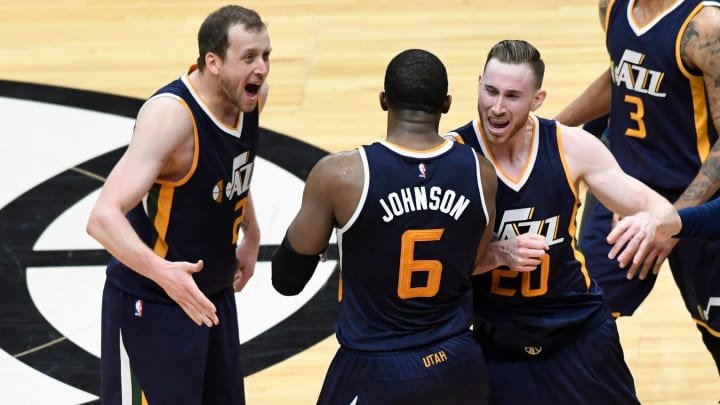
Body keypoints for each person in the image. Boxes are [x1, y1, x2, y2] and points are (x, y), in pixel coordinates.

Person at [445, 39, 676, 404]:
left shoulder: (571, 146)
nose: (497, 107)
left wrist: (650, 223)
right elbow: (430, 266)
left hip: (579, 334)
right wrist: (496, 255)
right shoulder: (451, 156)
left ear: (537, 99)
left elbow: (659, 208)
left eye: (512, 96)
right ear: (478, 84)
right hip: (497, 341)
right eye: (490, 91)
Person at [271, 49, 498, 405]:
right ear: (447, 104)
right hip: (458, 363)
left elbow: (286, 280)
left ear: (383, 101)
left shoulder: (341, 176)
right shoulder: (481, 173)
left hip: (376, 368)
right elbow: (472, 262)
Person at [85, 5, 270, 404]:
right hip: (153, 306)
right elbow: (102, 218)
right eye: (249, 58)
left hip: (211, 299)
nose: (262, 69)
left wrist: (251, 232)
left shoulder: (249, 99)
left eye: (266, 56)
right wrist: (163, 274)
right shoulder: (171, 118)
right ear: (214, 62)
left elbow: (236, 164)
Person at [555, 0, 720, 373]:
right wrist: (549, 132)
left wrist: (672, 221)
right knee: (573, 323)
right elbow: (621, 72)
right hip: (624, 196)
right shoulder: (612, 7)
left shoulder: (706, 27)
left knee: (717, 338)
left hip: (700, 203)